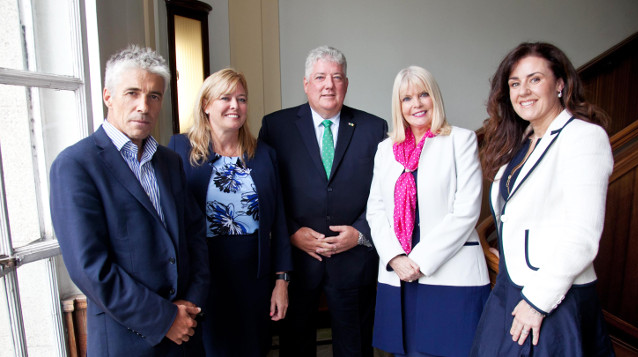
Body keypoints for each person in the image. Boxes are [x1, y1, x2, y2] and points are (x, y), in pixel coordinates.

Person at [49, 45, 210, 356]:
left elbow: (195, 237)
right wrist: (164, 319)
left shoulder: (170, 161)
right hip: (127, 339)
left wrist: (190, 307)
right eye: (132, 93)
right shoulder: (75, 165)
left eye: (154, 96)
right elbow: (90, 268)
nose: (143, 106)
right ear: (108, 96)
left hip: (187, 331)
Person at [470, 42, 615, 356]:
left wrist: (537, 302)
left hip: (552, 295)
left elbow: (583, 235)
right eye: (515, 83)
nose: (524, 90)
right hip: (510, 286)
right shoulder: (521, 140)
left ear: (560, 84)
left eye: (535, 79)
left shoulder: (583, 137)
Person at [258, 45, 387, 357]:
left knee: (354, 348)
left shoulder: (374, 128)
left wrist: (359, 233)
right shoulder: (276, 127)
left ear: (346, 83)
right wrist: (291, 233)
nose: (329, 84)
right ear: (306, 84)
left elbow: (385, 193)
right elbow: (266, 192)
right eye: (320, 77)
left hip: (354, 262)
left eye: (337, 77)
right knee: (295, 347)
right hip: (297, 264)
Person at [366, 66, 490, 357]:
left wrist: (419, 260)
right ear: (399, 106)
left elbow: (466, 211)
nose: (417, 104)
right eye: (407, 98)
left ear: (435, 97)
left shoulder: (461, 140)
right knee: (406, 352)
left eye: (423, 94)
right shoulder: (386, 149)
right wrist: (396, 258)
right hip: (400, 272)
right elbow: (376, 209)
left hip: (449, 270)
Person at [168, 68, 292, 356]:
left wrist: (281, 281)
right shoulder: (179, 149)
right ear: (206, 105)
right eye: (225, 97)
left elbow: (280, 222)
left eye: (242, 98)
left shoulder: (264, 153)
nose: (235, 105)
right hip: (204, 278)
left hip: (254, 279)